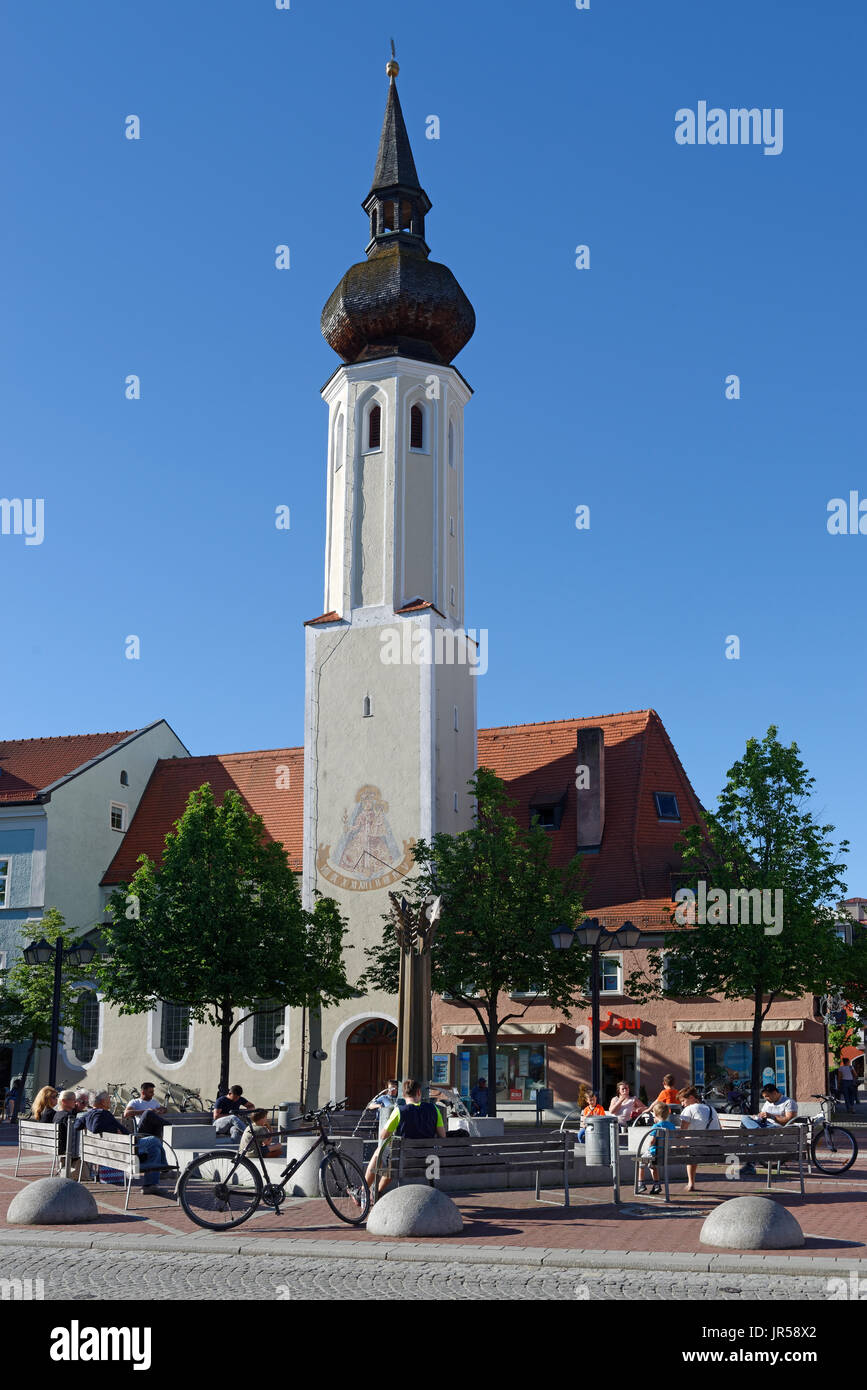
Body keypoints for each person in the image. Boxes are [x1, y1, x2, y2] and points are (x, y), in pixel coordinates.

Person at [364, 1078, 446, 1195]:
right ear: (419, 1092)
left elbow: (383, 1135)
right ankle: (377, 1192)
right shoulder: (434, 1109)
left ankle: (363, 1191)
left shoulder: (399, 1111)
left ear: (403, 1095)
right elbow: (442, 1135)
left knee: (380, 1152)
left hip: (403, 1159)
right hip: (428, 1159)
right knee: (394, 1162)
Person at [85, 1090, 168, 1193]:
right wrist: (114, 1131)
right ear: (103, 1102)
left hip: (122, 1147)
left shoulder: (89, 1114)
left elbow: (78, 1125)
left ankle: (150, 1186)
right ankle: (165, 1168)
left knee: (155, 1150)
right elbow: (95, 1128)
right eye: (108, 1099)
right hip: (126, 1149)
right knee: (154, 1140)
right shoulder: (101, 1113)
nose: (110, 1101)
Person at [678, 1086, 722, 1193]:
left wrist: (678, 1145)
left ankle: (690, 1183)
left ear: (692, 1098)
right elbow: (720, 1129)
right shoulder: (711, 1108)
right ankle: (691, 1183)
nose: (682, 1104)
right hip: (717, 1150)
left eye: (683, 1100)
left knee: (690, 1149)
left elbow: (682, 1131)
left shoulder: (688, 1109)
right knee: (694, 1143)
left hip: (699, 1150)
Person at [636, 1102, 678, 1194]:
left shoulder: (656, 1126)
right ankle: (656, 1186)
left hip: (654, 1153)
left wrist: (649, 1148)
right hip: (665, 1154)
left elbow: (652, 1141)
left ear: (655, 1114)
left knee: (639, 1161)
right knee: (652, 1165)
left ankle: (641, 1185)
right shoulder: (672, 1126)